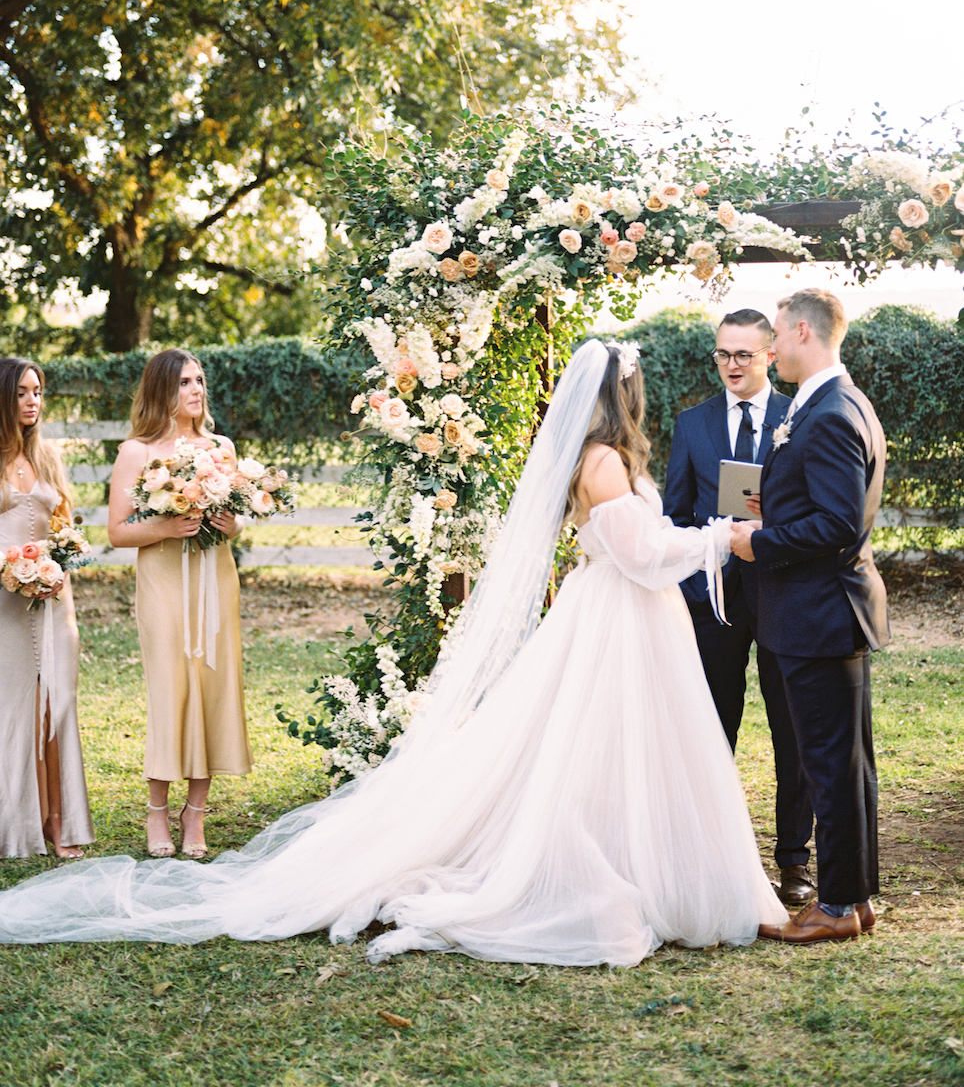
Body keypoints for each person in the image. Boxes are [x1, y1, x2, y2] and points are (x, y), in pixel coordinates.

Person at [0, 339, 787, 960]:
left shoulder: (601, 460)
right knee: (587, 746)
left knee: (602, 748)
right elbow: (642, 557)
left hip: (621, 619)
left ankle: (638, 861)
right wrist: (725, 538)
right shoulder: (608, 461)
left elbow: (640, 546)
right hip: (618, 618)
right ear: (628, 397)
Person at [731, 289, 889, 945]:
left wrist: (758, 542)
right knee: (848, 763)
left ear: (802, 331)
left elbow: (839, 523)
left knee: (829, 763)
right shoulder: (837, 401)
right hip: (830, 610)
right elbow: (826, 508)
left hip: (818, 613)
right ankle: (855, 900)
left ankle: (835, 908)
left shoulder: (826, 412)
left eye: (776, 336)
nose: (770, 349)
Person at [663, 309, 814, 906]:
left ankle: (794, 863)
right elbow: (676, 515)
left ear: (770, 356)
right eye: (723, 354)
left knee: (792, 733)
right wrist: (694, 588)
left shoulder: (799, 418)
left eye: (744, 355)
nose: (731, 365)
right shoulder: (692, 424)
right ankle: (710, 858)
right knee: (710, 730)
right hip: (713, 602)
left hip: (782, 593)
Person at [107, 349, 253, 860]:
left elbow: (238, 521)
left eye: (200, 380)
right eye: (185, 382)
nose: (196, 389)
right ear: (162, 390)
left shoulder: (222, 448)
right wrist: (168, 525)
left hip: (216, 577)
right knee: (171, 689)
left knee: (210, 685)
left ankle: (195, 816)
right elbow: (118, 532)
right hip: (163, 582)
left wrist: (227, 519)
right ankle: (155, 813)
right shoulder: (136, 452)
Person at [0, 357, 93, 860]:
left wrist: (57, 563)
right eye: (20, 392)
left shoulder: (50, 458)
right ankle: (16, 820)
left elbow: (64, 528)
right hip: (3, 604)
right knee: (12, 706)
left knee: (56, 702)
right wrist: (10, 567)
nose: (32, 400)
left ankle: (59, 821)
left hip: (54, 598)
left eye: (37, 391)